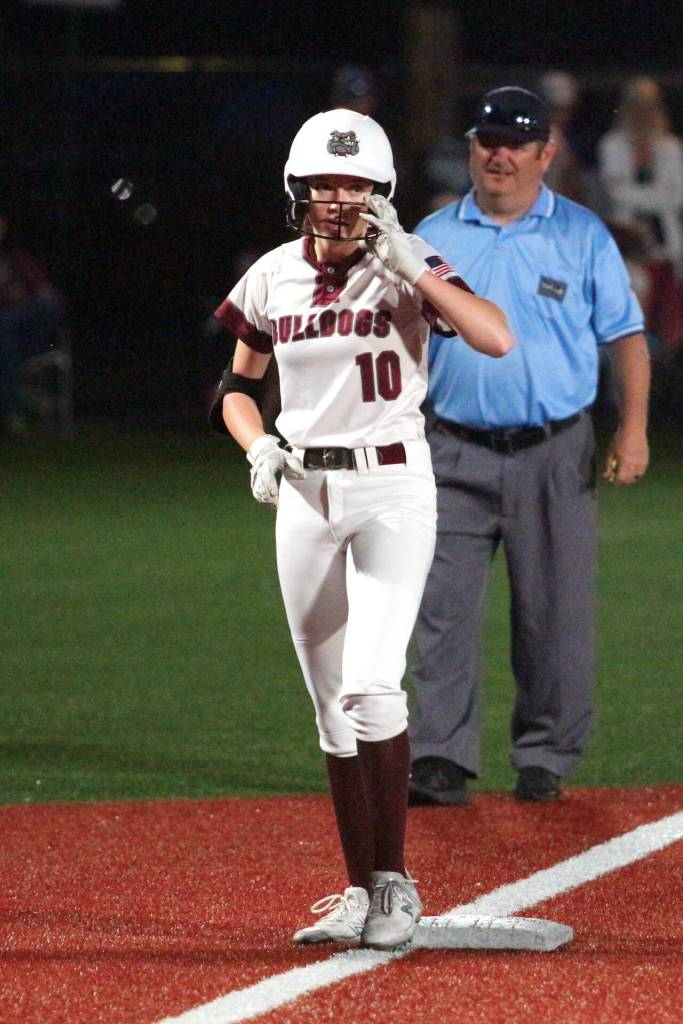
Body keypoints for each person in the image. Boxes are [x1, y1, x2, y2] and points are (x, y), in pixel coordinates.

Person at [210, 108, 513, 948]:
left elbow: (493, 336)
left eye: (356, 184)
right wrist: (257, 443)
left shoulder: (405, 266)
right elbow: (234, 386)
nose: (339, 199)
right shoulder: (272, 274)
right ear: (297, 190)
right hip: (305, 493)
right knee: (328, 710)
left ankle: (394, 886)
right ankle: (358, 888)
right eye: (324, 183)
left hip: (390, 486)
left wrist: (413, 266)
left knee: (372, 687)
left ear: (380, 191)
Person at [407, 86, 651, 808]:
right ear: (471, 148)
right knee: (440, 610)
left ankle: (544, 754)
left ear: (545, 154)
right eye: (488, 140)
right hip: (450, 447)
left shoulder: (581, 235)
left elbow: (625, 337)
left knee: (553, 612)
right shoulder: (430, 236)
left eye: (516, 142)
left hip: (554, 449)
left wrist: (631, 428)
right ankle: (440, 756)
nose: (500, 155)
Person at [598, 76, 683, 356]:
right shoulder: (612, 145)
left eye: (649, 106)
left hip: (663, 249)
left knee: (666, 323)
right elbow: (615, 194)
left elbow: (676, 196)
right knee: (631, 321)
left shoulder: (670, 148)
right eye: (637, 105)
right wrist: (656, 195)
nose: (643, 113)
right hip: (628, 246)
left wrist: (637, 193)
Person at [0, 212, 64, 433]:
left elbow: (46, 295)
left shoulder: (18, 260)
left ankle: (17, 405)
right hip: (6, 338)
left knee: (44, 307)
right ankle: (18, 407)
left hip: (26, 332)